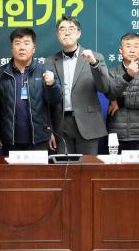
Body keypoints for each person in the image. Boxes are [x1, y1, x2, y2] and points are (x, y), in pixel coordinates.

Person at [47, 16, 112, 154]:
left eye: (71, 29)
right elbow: (46, 100)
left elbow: (105, 87)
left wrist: (94, 64)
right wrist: (49, 129)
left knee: (87, 166)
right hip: (61, 125)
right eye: (62, 29)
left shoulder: (95, 57)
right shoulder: (50, 61)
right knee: (64, 166)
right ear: (57, 34)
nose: (67, 33)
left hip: (88, 122)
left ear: (79, 33)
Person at [0, 28, 61, 155]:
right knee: (11, 169)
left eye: (26, 43)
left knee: (38, 169)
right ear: (12, 48)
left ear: (33, 48)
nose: (22, 48)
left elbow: (54, 102)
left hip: (39, 139)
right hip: (10, 140)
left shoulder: (45, 71)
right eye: (18, 43)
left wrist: (52, 85)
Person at [105, 32, 139, 151]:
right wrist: (127, 76)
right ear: (121, 50)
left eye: (136, 46)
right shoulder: (111, 72)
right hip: (117, 135)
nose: (132, 50)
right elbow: (110, 93)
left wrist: (121, 102)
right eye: (128, 46)